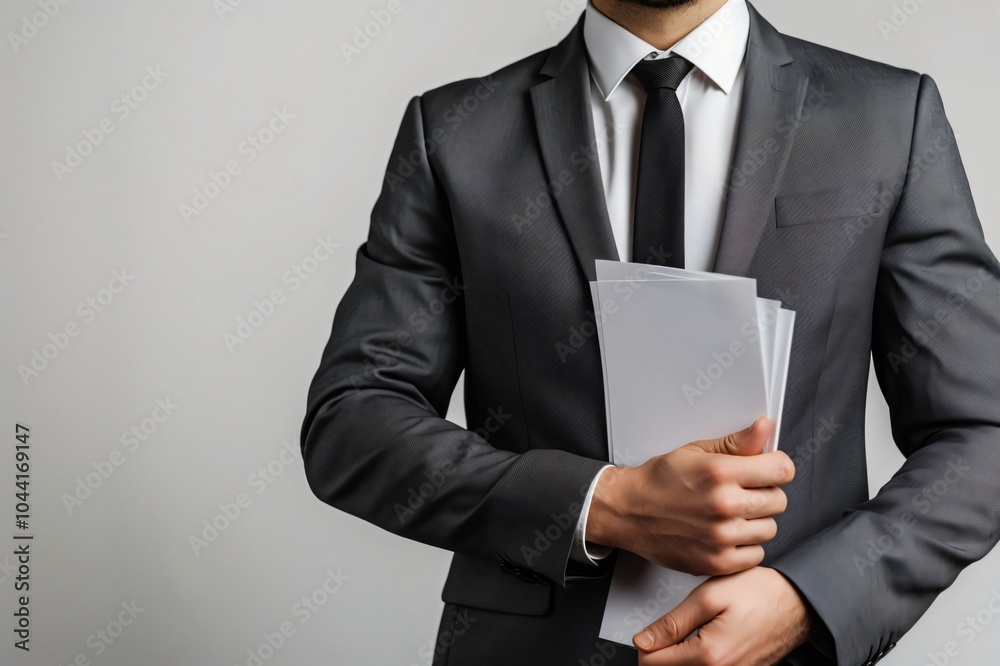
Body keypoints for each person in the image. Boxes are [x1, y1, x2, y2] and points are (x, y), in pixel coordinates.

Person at [301, 1, 1000, 664]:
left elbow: (985, 430)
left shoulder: (887, 118)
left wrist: (811, 599)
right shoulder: (455, 133)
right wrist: (600, 504)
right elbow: (352, 420)